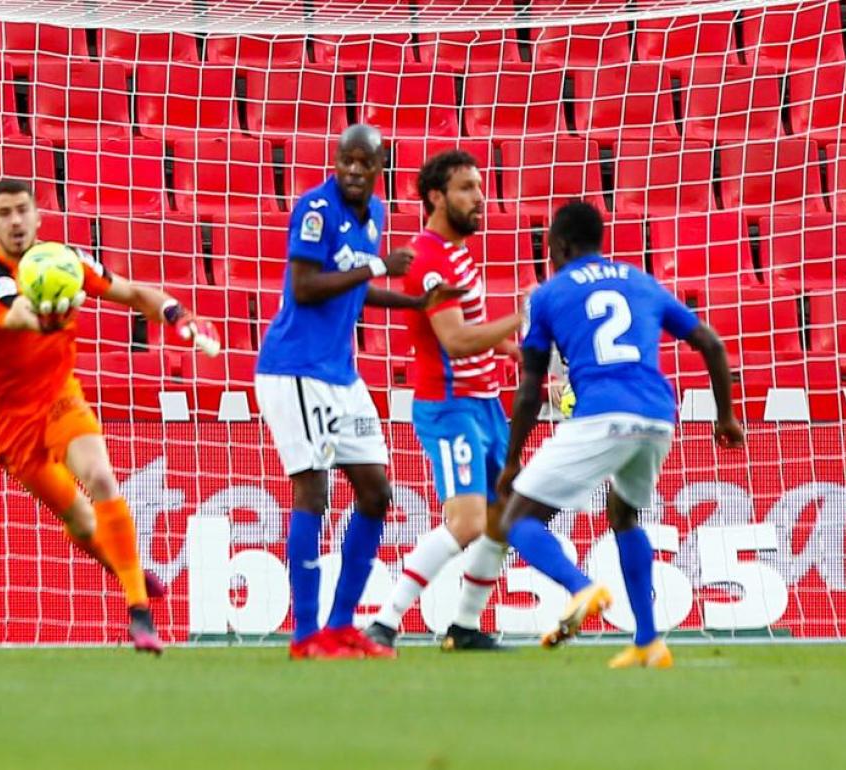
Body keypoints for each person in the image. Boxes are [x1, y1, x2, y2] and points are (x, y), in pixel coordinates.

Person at [0, 178, 220, 655]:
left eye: (23, 210)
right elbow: (19, 315)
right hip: (6, 419)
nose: (16, 221)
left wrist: (179, 316)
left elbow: (134, 292)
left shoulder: (70, 263)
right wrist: (47, 314)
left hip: (59, 395)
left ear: (39, 217)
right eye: (4, 213)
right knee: (82, 522)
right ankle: (123, 564)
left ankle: (139, 613)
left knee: (102, 477)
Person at [494, 200, 744, 668]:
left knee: (514, 520)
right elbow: (710, 342)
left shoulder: (547, 295)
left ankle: (580, 589)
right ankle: (648, 640)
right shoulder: (642, 282)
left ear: (560, 246)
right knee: (624, 514)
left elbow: (530, 390)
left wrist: (512, 461)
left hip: (601, 415)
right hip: (658, 415)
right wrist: (726, 416)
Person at [255, 124, 460, 660]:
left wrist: (412, 303)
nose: (350, 169)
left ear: (378, 169)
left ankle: (343, 626)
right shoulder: (315, 209)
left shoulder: (375, 220)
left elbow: (357, 288)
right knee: (314, 493)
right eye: (344, 159)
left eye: (362, 162)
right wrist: (377, 265)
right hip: (295, 368)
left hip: (341, 376)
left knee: (376, 491)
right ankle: (305, 636)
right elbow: (303, 286)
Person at [363, 150, 521, 652]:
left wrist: (508, 347)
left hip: (486, 403)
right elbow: (453, 341)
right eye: (467, 189)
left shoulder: (457, 252)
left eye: (479, 187)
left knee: (503, 517)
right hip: (451, 407)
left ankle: (465, 626)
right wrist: (520, 317)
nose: (480, 198)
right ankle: (384, 622)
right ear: (436, 197)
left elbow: (467, 329)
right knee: (469, 521)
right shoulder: (428, 259)